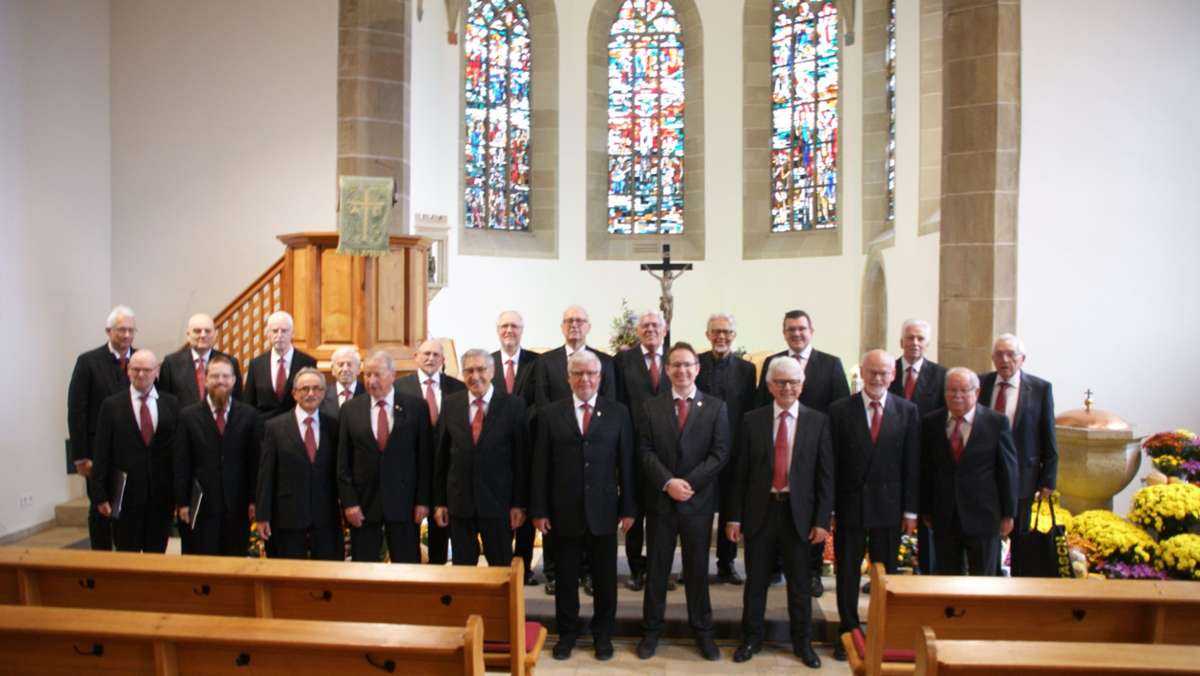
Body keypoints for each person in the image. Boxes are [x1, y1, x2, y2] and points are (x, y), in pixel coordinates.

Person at [725, 357, 832, 669]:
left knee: (800, 585)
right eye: (781, 382)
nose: (788, 388)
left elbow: (826, 476)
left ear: (802, 385)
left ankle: (803, 643)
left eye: (794, 382)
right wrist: (733, 516)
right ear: (770, 386)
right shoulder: (752, 420)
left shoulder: (818, 421)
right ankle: (750, 639)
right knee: (755, 582)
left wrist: (822, 520)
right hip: (761, 512)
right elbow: (739, 473)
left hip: (799, 516)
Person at [532, 350, 635, 661]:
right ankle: (567, 634)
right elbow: (540, 465)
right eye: (578, 373)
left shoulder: (618, 413)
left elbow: (626, 464)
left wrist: (628, 507)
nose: (585, 379)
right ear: (568, 378)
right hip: (563, 512)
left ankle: (603, 635)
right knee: (565, 580)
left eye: (591, 373)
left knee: (605, 580)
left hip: (604, 512)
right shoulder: (551, 413)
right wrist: (539, 509)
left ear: (600, 378)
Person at [637, 343, 729, 662]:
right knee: (658, 571)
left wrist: (688, 484)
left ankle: (703, 632)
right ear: (666, 369)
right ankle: (651, 632)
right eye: (675, 365)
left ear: (697, 368)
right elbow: (645, 451)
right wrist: (667, 482)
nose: (682, 370)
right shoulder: (651, 406)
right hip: (662, 503)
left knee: (697, 571)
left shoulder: (716, 407)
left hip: (697, 503)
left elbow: (719, 454)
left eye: (688, 365)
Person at [828, 350, 919, 660]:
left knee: (884, 573)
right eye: (872, 372)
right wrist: (829, 508)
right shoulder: (840, 410)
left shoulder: (907, 411)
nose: (877, 378)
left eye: (884, 373)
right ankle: (848, 630)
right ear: (862, 373)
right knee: (848, 573)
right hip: (850, 504)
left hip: (889, 508)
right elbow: (832, 464)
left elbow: (912, 464)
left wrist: (910, 510)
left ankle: (881, 630)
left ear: (893, 375)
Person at [755, 309, 848, 596]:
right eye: (790, 329)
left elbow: (841, 408)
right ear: (784, 333)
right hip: (778, 445)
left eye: (801, 328)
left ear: (811, 331)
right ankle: (773, 568)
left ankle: (812, 574)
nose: (796, 333)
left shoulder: (830, 364)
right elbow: (760, 404)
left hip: (814, 450)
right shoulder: (772, 362)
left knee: (808, 519)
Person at [532, 305, 615, 594]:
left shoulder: (605, 361)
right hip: (560, 444)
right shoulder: (546, 362)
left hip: (595, 449)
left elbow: (611, 406)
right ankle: (555, 572)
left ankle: (589, 574)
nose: (574, 325)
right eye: (568, 321)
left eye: (580, 321)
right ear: (561, 326)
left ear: (589, 326)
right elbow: (542, 402)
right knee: (561, 528)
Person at [433, 349, 529, 567]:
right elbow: (441, 458)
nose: (475, 376)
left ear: (492, 371)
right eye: (469, 371)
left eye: (481, 369)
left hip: (499, 505)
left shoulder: (513, 406)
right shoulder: (450, 404)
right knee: (464, 572)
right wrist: (439, 502)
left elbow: (521, 460)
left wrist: (519, 504)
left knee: (500, 570)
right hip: (460, 503)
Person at [920, 367, 1018, 576]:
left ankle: (981, 612)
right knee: (946, 577)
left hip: (984, 515)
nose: (957, 396)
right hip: (944, 515)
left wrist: (1008, 513)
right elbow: (926, 469)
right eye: (951, 390)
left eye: (964, 390)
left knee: (983, 579)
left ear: (977, 392)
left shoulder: (996, 423)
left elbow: (1007, 471)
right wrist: (926, 508)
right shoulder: (931, 423)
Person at [337, 351, 431, 563]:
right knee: (364, 566)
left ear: (392, 375)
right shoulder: (350, 409)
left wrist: (423, 501)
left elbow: (424, 459)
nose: (371, 381)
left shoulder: (416, 407)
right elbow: (343, 463)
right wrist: (349, 503)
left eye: (377, 374)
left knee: (407, 566)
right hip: (363, 504)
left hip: (404, 503)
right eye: (367, 375)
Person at [979, 333, 1057, 577]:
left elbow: (1048, 434)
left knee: (1021, 539)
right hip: (985, 477)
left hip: (1023, 476)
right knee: (987, 542)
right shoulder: (980, 384)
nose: (1005, 359)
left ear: (1022, 359)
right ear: (992, 358)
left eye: (1010, 354)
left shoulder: (1040, 389)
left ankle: (1019, 592)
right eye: (999, 354)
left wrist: (1049, 478)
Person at [91, 350, 180, 553]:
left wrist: (179, 494)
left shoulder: (171, 404)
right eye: (136, 369)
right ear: (128, 371)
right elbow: (101, 452)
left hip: (161, 495)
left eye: (147, 370)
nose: (141, 374)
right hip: (124, 495)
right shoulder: (111, 405)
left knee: (156, 553)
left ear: (157, 372)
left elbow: (177, 453)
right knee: (127, 553)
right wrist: (100, 495)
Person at [174, 355, 261, 556]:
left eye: (225, 376)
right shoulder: (188, 416)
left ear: (234, 380)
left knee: (235, 562)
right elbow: (182, 463)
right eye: (214, 376)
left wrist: (254, 501)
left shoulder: (249, 415)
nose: (220, 381)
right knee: (201, 561)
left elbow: (254, 463)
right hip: (201, 504)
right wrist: (183, 503)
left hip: (237, 505)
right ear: (205, 380)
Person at [67, 305, 137, 550]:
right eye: (121, 330)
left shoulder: (140, 362)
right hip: (98, 452)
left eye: (130, 330)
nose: (126, 335)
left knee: (127, 511)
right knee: (100, 508)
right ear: (109, 331)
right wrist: (80, 455)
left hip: (131, 452)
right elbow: (77, 411)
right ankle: (100, 559)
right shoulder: (88, 362)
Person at [695, 312, 756, 586]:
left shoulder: (747, 369)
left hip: (734, 450)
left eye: (727, 332)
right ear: (707, 335)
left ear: (734, 335)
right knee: (699, 509)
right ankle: (695, 564)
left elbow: (750, 411)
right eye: (716, 332)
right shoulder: (696, 364)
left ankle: (726, 563)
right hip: (700, 452)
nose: (721, 337)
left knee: (732, 507)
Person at [257, 368, 343, 560]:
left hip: (325, 517)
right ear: (294, 393)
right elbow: (266, 475)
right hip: (287, 516)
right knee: (288, 578)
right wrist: (263, 515)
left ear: (323, 393)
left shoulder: (334, 426)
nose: (310, 393)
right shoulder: (275, 427)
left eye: (316, 388)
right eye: (304, 389)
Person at [396, 339, 464, 564]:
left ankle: (438, 571)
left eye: (436, 355)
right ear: (416, 357)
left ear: (443, 360)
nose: (430, 358)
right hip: (411, 469)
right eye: (425, 354)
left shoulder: (457, 387)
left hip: (445, 468)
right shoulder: (400, 387)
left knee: (441, 526)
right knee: (409, 529)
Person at [612, 310, 666, 592]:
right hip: (632, 448)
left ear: (665, 330)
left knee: (662, 515)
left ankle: (658, 569)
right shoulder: (623, 360)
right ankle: (635, 567)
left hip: (668, 453)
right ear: (637, 331)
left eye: (656, 325)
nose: (651, 329)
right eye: (645, 326)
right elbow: (617, 404)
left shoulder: (676, 358)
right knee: (633, 511)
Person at [888, 318, 946, 575]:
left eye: (920, 338)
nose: (914, 343)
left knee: (926, 521)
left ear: (928, 343)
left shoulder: (942, 375)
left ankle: (927, 574)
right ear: (901, 342)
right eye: (910, 337)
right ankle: (886, 572)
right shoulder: (886, 370)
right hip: (888, 460)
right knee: (888, 522)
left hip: (926, 461)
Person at [491, 310, 541, 584]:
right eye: (504, 326)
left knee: (526, 504)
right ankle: (501, 562)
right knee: (500, 508)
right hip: (496, 449)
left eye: (514, 326)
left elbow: (541, 401)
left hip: (528, 444)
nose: (509, 330)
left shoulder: (537, 363)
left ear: (522, 330)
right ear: (497, 330)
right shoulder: (487, 362)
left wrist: (518, 419)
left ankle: (524, 565)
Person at [243, 311, 317, 422]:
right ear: (268, 334)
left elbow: (313, 400)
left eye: (284, 331)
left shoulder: (307, 362)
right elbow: (248, 403)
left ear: (292, 333)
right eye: (275, 331)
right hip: (264, 431)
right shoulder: (256, 364)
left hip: (295, 428)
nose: (279, 335)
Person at [157, 313, 243, 407]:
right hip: (182, 421)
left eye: (207, 331)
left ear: (214, 335)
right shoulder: (171, 363)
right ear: (188, 335)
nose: (203, 335)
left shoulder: (230, 362)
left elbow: (238, 401)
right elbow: (164, 402)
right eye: (197, 331)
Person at [322, 346, 365, 417]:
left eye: (349, 364)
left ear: (358, 369)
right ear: (332, 370)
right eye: (341, 365)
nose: (345, 369)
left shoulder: (368, 393)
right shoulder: (322, 394)